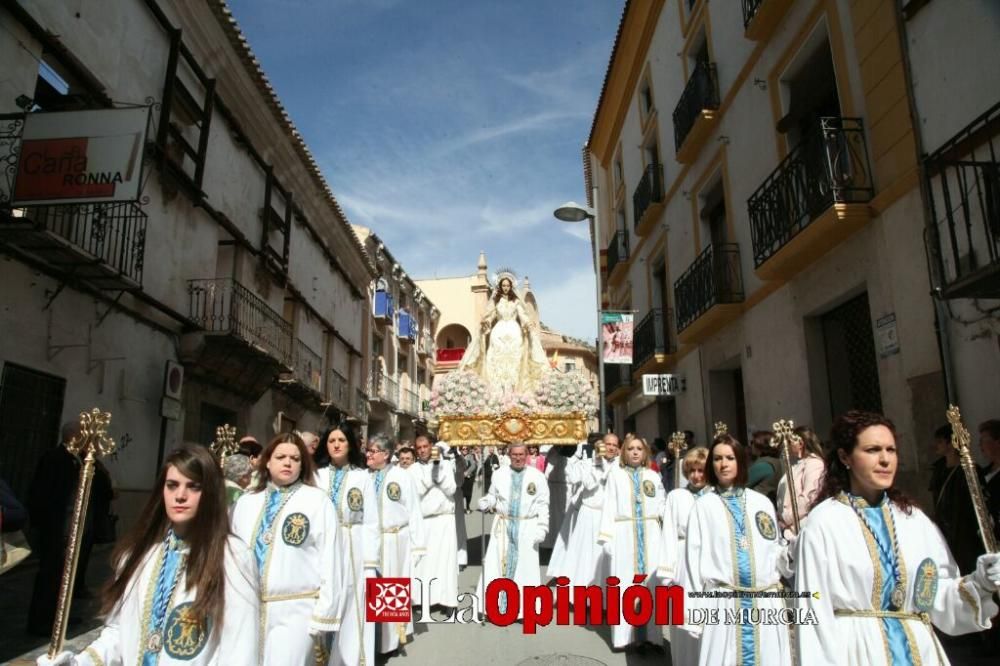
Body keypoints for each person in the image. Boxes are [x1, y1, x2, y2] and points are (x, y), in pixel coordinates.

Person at [795, 410, 1000, 666]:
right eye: (872, 450)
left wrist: (981, 583)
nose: (885, 459)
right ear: (845, 456)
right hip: (858, 654)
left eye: (891, 450)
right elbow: (813, 612)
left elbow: (938, 597)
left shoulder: (914, 520)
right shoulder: (824, 523)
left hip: (919, 651)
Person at [36, 444, 258, 666]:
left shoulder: (232, 557)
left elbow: (240, 648)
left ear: (210, 493)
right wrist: (78, 663)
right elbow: (119, 632)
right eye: (172, 486)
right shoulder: (139, 555)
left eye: (193, 486)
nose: (180, 495)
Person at [231, 433, 346, 665]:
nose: (287, 462)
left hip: (296, 612)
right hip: (248, 610)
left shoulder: (316, 501)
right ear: (267, 461)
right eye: (281, 456)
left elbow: (331, 560)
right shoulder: (246, 502)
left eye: (295, 458)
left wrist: (324, 614)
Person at [683, 433, 792, 666]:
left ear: (740, 461)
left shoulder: (761, 503)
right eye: (718, 459)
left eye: (730, 458)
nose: (723, 464)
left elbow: (774, 553)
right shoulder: (704, 507)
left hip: (765, 602)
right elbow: (692, 561)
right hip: (723, 603)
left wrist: (792, 552)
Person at [598, 436, 668, 652]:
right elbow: (608, 505)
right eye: (631, 449)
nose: (635, 452)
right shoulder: (616, 476)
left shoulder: (653, 476)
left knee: (651, 584)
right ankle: (625, 637)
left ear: (645, 452)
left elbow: (662, 503)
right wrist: (606, 537)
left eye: (639, 449)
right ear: (623, 452)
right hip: (624, 534)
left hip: (651, 534)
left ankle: (653, 637)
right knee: (626, 584)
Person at [313, 423, 373, 666]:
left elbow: (370, 520)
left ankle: (349, 659)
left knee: (352, 601)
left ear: (350, 444)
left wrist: (370, 562)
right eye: (331, 440)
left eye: (341, 440)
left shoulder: (362, 476)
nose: (336, 445)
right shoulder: (317, 476)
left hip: (352, 544)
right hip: (322, 545)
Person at [26, 420, 94, 635]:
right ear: (74, 437)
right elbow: (44, 494)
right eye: (83, 435)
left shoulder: (76, 460)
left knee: (64, 576)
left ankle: (59, 617)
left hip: (67, 529)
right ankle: (41, 621)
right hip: (55, 529)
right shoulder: (56, 459)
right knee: (49, 576)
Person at [361, 435, 425, 655]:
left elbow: (414, 511)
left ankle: (388, 642)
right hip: (369, 541)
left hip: (395, 540)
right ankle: (369, 638)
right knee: (369, 589)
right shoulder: (362, 477)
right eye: (368, 450)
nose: (368, 454)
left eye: (372, 450)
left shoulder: (402, 477)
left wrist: (418, 547)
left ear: (386, 454)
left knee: (390, 587)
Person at [477, 442, 549, 619]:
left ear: (526, 455)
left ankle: (525, 610)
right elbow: (493, 496)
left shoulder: (537, 476)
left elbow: (543, 505)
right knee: (496, 564)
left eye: (521, 454)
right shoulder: (499, 474)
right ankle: (494, 607)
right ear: (509, 455)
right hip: (503, 525)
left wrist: (542, 528)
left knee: (526, 568)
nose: (518, 458)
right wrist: (486, 502)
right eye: (514, 454)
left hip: (527, 526)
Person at [458, 272, 548, 393]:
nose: (505, 288)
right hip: (498, 333)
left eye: (507, 285)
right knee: (495, 360)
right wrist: (486, 322)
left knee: (515, 360)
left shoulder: (516, 301)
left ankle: (514, 391)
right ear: (500, 286)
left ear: (511, 286)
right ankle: (497, 392)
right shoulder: (496, 301)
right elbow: (490, 316)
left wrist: (527, 323)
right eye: (503, 285)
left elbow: (522, 315)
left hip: (514, 332)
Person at [660, 446, 709, 666]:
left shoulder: (715, 497)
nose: (696, 476)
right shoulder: (676, 496)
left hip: (709, 564)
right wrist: (667, 573)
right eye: (691, 471)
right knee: (682, 618)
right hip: (682, 562)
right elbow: (668, 533)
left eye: (701, 471)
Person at [550, 434, 619, 587]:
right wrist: (596, 463)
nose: (611, 448)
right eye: (608, 444)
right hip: (589, 514)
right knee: (585, 556)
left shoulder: (619, 465)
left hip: (608, 516)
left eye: (615, 445)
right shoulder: (590, 461)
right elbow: (587, 483)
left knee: (605, 556)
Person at [409, 434, 459, 614]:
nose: (422, 450)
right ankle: (421, 600)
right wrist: (432, 478)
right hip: (424, 520)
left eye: (425, 446)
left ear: (432, 446)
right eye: (419, 447)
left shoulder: (444, 464)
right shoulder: (413, 469)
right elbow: (416, 492)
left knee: (445, 561)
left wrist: (440, 477)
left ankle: (447, 600)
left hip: (444, 519)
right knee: (422, 563)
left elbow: (451, 489)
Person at [927, 423, 985, 575]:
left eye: (940, 441)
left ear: (951, 442)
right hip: (945, 532)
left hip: (965, 534)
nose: (936, 446)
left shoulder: (969, 470)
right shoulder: (938, 471)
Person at [776, 425, 826, 536]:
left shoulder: (814, 463)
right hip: (790, 528)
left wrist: (786, 518)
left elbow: (809, 497)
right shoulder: (799, 464)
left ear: (800, 443)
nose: (787, 446)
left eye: (790, 442)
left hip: (801, 527)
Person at [747, 430, 781, 503]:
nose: (750, 445)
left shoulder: (763, 465)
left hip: (759, 504)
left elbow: (741, 484)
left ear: (760, 445)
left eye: (752, 442)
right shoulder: (777, 461)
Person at [460, 446, 478, 513]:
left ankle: (467, 507)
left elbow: (473, 465)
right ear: (461, 450)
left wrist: (467, 472)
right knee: (461, 494)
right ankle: (461, 508)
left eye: (466, 449)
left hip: (469, 479)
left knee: (468, 494)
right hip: (461, 479)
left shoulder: (470, 456)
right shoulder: (459, 457)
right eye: (463, 449)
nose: (465, 450)